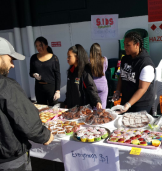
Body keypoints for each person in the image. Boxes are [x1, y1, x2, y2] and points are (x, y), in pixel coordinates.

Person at [0, 37, 54, 171]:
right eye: (10, 59)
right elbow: (27, 121)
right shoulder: (7, 86)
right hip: (10, 160)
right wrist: (45, 135)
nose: (12, 64)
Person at [112, 32, 155, 114]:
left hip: (141, 104)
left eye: (128, 45)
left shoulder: (146, 64)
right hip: (126, 100)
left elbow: (142, 88)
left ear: (137, 44)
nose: (125, 47)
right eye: (124, 44)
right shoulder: (125, 59)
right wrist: (117, 91)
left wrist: (128, 104)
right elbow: (122, 76)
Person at [64, 44, 102, 109]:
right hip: (72, 108)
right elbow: (69, 90)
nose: (67, 58)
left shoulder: (85, 71)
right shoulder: (71, 71)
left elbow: (91, 87)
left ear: (77, 57)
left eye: (69, 56)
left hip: (83, 109)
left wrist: (97, 101)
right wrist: (66, 102)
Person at [29, 36, 61, 106]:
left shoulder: (54, 58)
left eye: (40, 45)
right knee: (42, 108)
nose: (38, 48)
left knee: (53, 109)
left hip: (51, 87)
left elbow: (57, 75)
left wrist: (57, 91)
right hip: (39, 87)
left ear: (46, 46)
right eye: (36, 46)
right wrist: (34, 75)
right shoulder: (33, 58)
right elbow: (30, 72)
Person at [89, 43, 108, 109]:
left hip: (93, 86)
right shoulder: (105, 59)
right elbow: (105, 69)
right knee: (102, 108)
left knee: (94, 108)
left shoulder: (89, 61)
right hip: (103, 86)